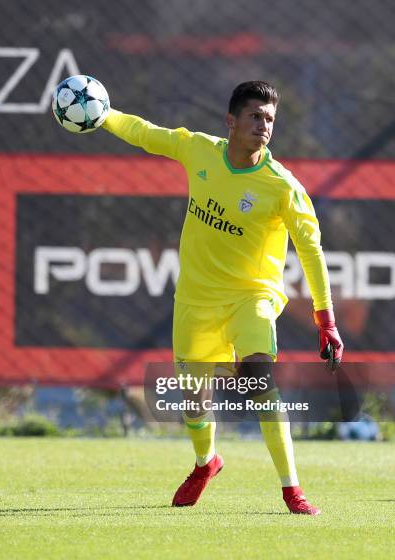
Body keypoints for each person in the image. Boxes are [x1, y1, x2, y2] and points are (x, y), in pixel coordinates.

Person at [102, 81, 344, 515]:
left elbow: (311, 250)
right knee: (195, 401)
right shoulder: (198, 150)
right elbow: (143, 131)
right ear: (231, 121)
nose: (263, 125)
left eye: (270, 118)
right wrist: (102, 115)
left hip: (252, 297)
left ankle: (292, 490)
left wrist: (325, 319)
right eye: (255, 116)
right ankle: (205, 462)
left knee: (258, 378)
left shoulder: (282, 186)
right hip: (195, 300)